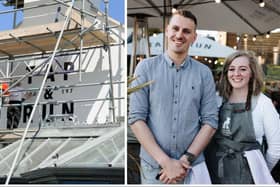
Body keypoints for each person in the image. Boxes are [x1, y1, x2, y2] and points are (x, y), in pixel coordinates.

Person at [128, 10, 218, 184]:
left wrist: (185, 161)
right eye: (175, 29)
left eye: (186, 31)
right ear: (167, 31)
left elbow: (210, 121)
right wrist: (166, 162)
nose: (179, 35)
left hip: (192, 169)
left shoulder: (204, 73)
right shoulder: (145, 68)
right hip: (155, 169)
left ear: (194, 37)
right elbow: (136, 119)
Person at [205, 51, 280, 184]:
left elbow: (276, 148)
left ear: (252, 73)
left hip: (249, 177)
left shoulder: (263, 103)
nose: (236, 74)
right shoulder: (217, 99)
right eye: (231, 69)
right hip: (214, 172)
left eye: (243, 69)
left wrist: (259, 172)